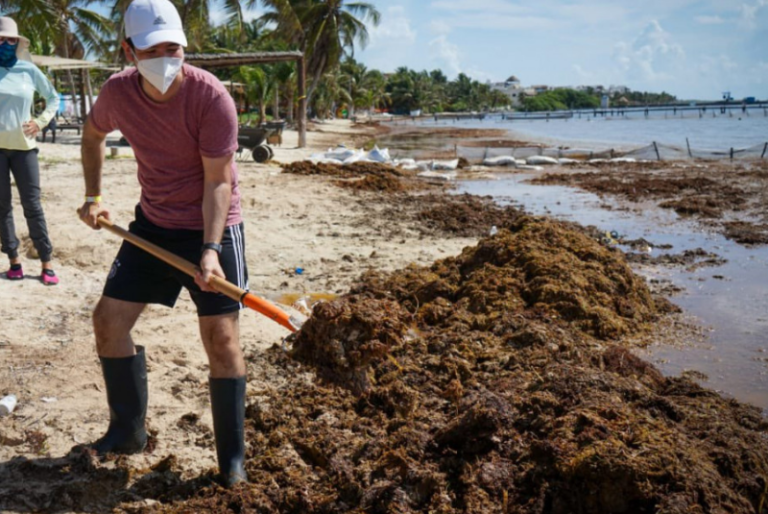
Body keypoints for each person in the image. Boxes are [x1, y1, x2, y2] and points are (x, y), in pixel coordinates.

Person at [77, 0, 247, 487]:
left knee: (221, 338)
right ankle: (127, 431)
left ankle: (231, 461)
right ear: (129, 50)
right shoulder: (117, 92)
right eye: (153, 49)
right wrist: (93, 197)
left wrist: (210, 250)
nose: (166, 57)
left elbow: (218, 181)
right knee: (108, 323)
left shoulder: (211, 97)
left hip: (212, 226)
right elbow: (92, 136)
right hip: (151, 225)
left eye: (174, 47)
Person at [0, 17, 60, 285]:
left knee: (32, 206)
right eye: (0, 39)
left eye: (10, 39)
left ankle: (46, 262)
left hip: (25, 149)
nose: (5, 43)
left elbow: (53, 98)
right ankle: (14, 260)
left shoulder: (28, 70)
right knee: (2, 208)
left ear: (17, 42)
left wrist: (40, 121)